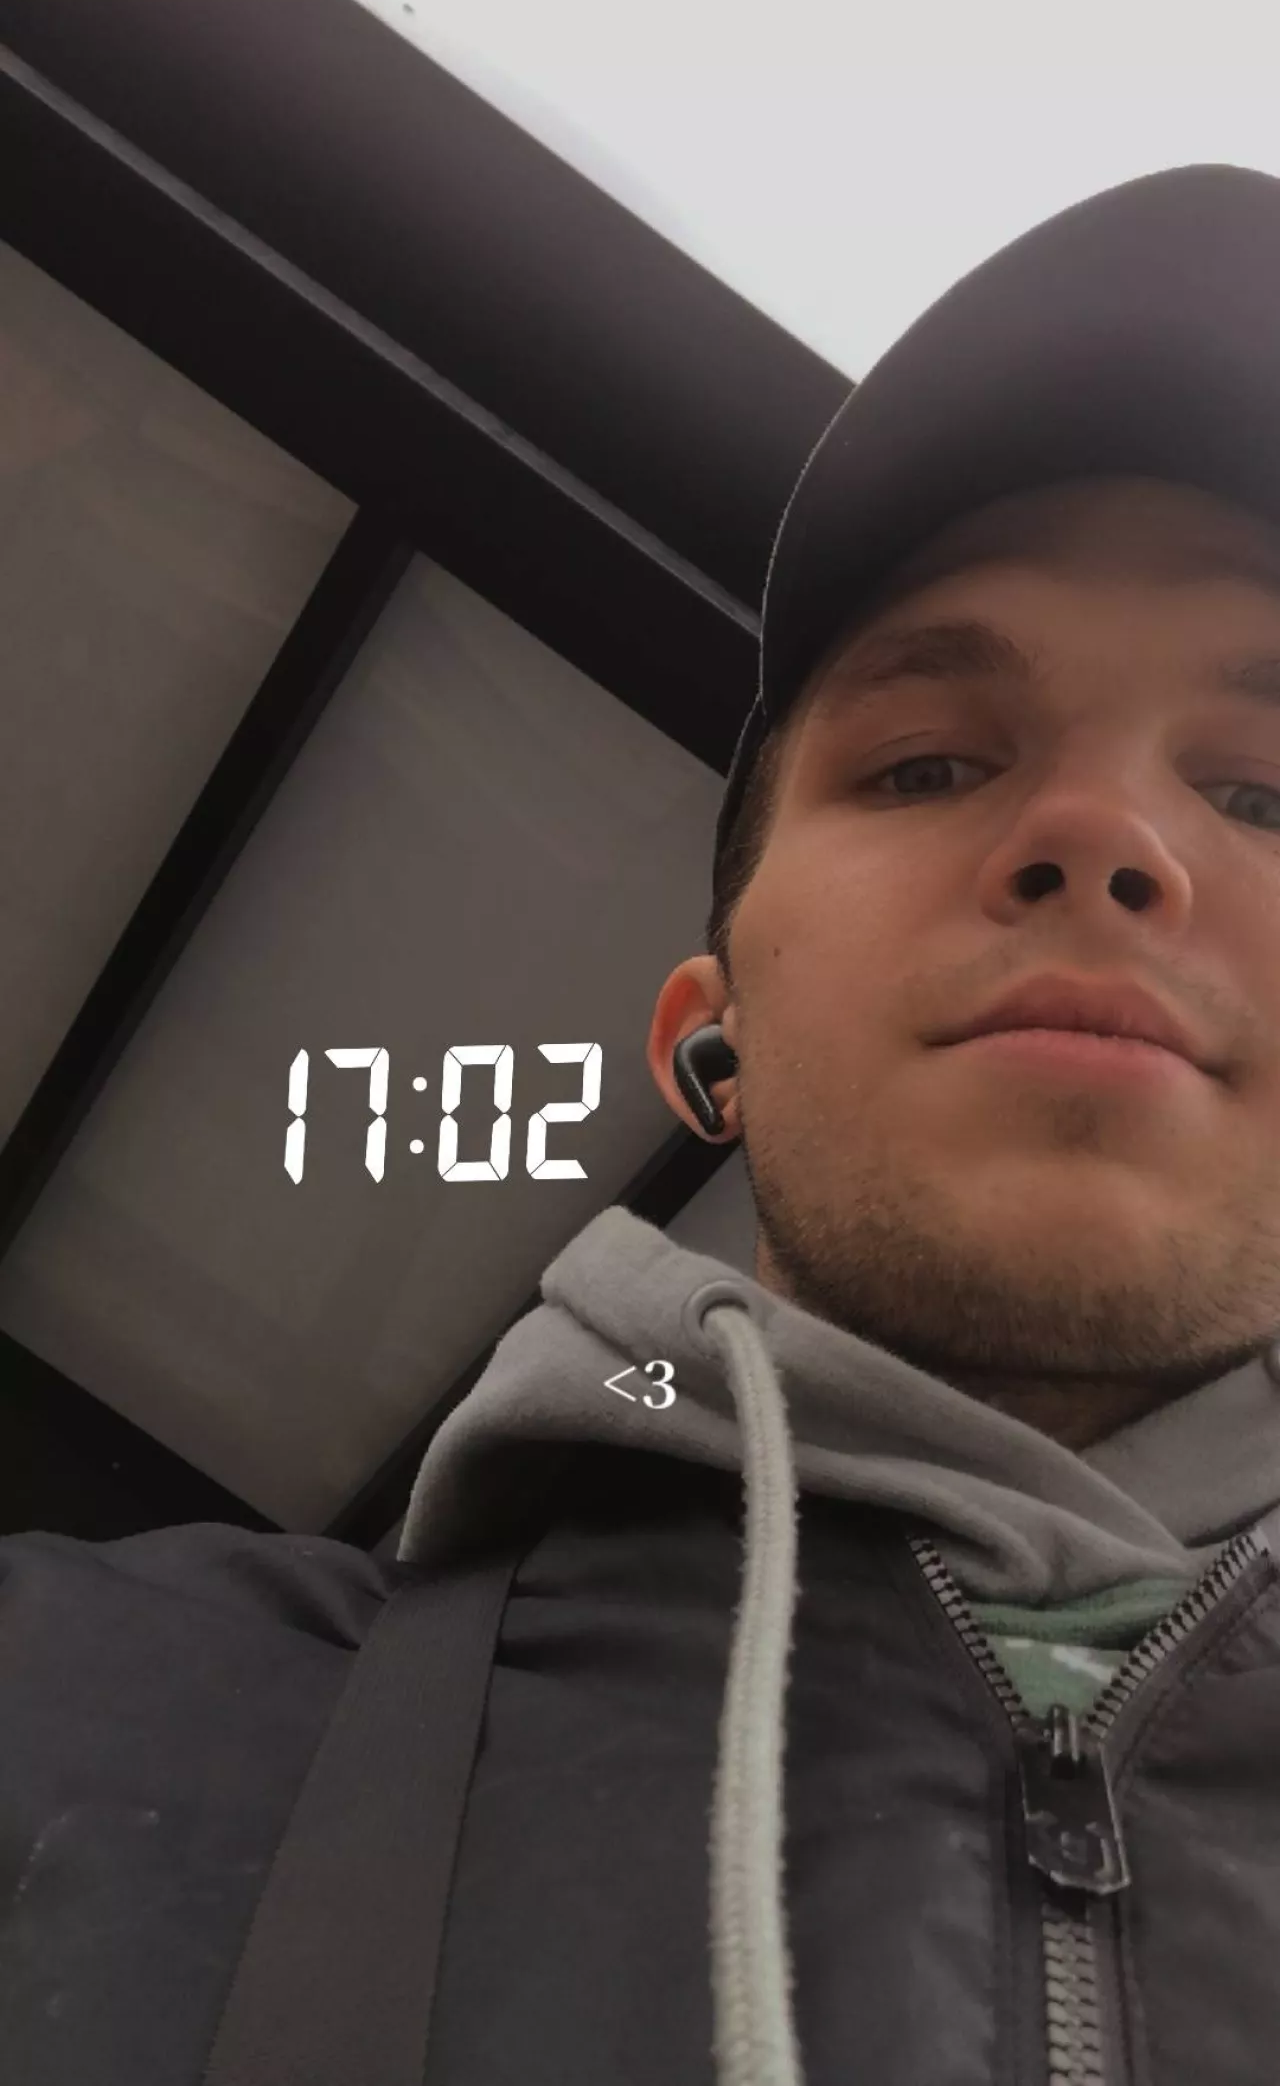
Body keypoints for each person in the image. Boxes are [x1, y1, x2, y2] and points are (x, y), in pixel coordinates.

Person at [7, 165, 1280, 2086]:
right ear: (714, 1040)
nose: (1108, 836)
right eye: (927, 762)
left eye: (1266, 796)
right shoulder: (71, 1699)